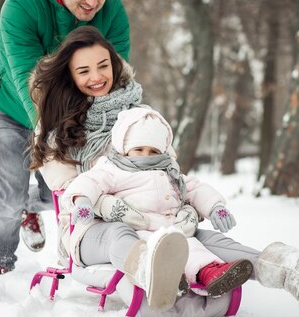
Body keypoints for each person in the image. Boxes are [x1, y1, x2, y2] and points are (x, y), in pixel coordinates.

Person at [30, 26, 299, 313]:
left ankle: (291, 270)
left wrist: (186, 208)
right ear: (70, 76)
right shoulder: (56, 130)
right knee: (121, 234)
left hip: (156, 221)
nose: (97, 76)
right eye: (84, 70)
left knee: (206, 238)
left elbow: (168, 176)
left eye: (103, 65)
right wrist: (104, 205)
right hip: (92, 230)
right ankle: (152, 271)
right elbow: (67, 194)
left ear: (115, 65)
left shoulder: (144, 116)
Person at [0, 0, 130, 275]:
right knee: (11, 196)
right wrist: (49, 137)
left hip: (67, 114)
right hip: (8, 105)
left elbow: (116, 78)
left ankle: (30, 207)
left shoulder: (113, 12)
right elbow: (27, 81)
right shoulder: (22, 5)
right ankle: (1, 263)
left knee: (67, 193)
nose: (93, 0)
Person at [62, 107, 254, 298]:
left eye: (153, 151)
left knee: (192, 246)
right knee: (137, 245)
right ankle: (154, 274)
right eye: (139, 149)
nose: (146, 155)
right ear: (124, 148)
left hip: (168, 230)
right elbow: (89, 182)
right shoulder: (112, 169)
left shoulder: (170, 173)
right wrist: (83, 200)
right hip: (134, 229)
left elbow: (195, 189)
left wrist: (215, 207)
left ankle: (212, 273)